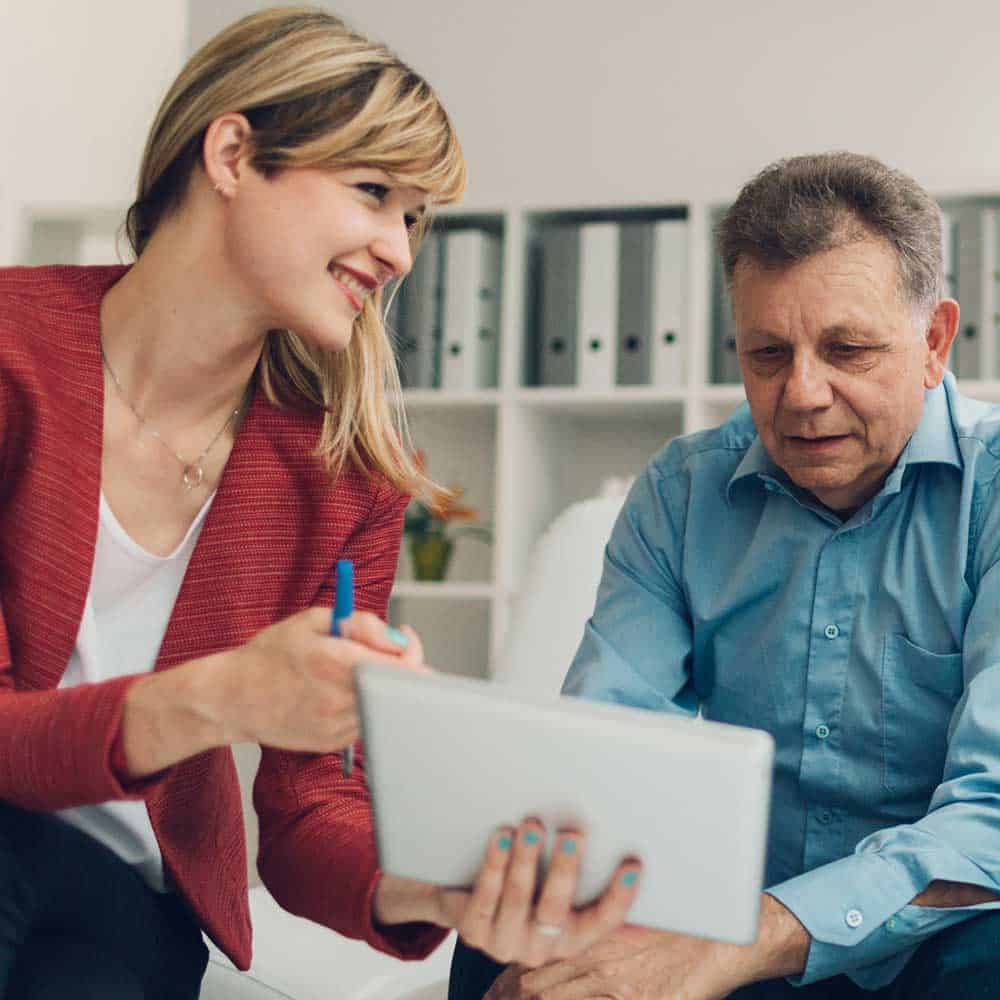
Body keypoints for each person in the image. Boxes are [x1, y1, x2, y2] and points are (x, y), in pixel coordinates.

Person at [0, 7, 642, 998]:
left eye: (416, 218)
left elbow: (305, 810)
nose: (399, 251)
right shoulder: (11, 356)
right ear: (230, 153)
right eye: (373, 192)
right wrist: (221, 693)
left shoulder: (348, 474)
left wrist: (435, 884)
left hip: (128, 908)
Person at [449, 152, 1000, 999]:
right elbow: (606, 747)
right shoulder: (681, 490)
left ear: (933, 342)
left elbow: (991, 817)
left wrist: (752, 939)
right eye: (767, 353)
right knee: (502, 944)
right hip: (722, 921)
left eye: (847, 349)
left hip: (926, 938)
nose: (802, 393)